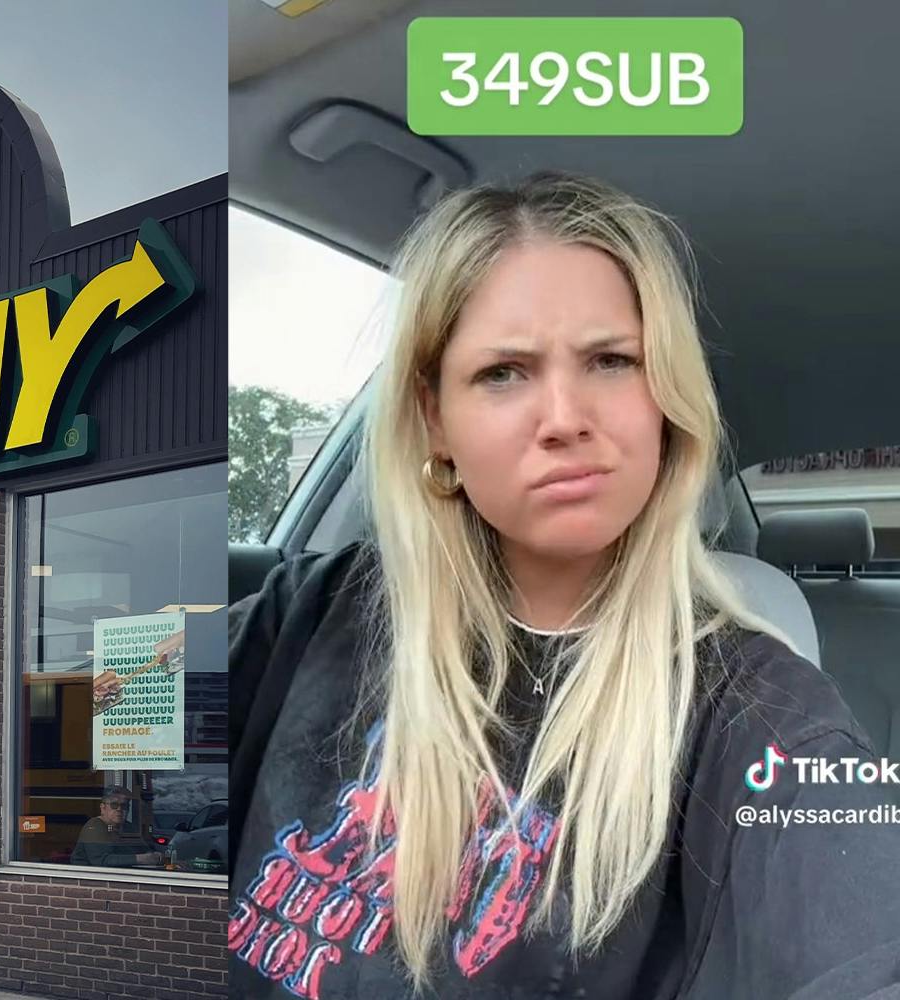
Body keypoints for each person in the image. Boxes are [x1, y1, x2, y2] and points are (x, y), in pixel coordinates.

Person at [226, 173, 900, 999]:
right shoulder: (310, 613)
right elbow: (103, 714)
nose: (563, 417)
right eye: (504, 372)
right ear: (435, 420)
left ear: (666, 401)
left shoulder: (756, 706)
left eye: (612, 360)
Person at [71, 786, 163, 868]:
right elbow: (101, 860)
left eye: (124, 805)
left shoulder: (128, 827)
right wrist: (140, 859)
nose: (119, 809)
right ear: (103, 808)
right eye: (114, 805)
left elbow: (144, 849)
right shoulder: (94, 826)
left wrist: (154, 856)